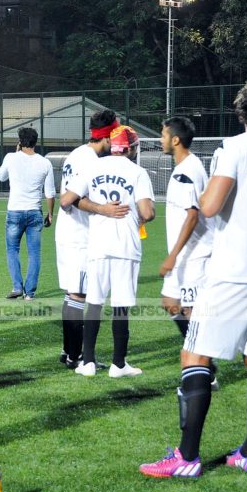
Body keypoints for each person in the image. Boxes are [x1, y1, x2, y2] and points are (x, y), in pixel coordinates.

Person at [139, 75, 247, 477]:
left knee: (194, 353)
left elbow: (209, 206)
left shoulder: (233, 147)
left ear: (242, 109)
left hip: (233, 268)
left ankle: (187, 457)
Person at [61, 125, 155, 378]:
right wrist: (140, 212)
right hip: (126, 246)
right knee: (121, 306)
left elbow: (67, 200)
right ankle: (118, 364)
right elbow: (147, 212)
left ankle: (88, 362)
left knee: (94, 302)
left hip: (98, 245)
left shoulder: (93, 167)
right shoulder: (137, 172)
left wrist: (99, 208)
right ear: (132, 148)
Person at [54, 109, 125, 370]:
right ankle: (75, 356)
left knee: (73, 293)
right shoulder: (89, 160)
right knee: (78, 294)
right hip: (78, 236)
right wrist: (104, 209)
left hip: (72, 234)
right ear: (105, 137)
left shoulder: (79, 154)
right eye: (113, 137)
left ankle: (68, 350)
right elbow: (68, 200)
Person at [158, 116, 213, 340]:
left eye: (163, 135)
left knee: (190, 311)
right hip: (184, 255)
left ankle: (205, 370)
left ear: (176, 140)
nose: (161, 140)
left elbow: (192, 215)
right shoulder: (188, 166)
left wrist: (172, 255)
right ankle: (202, 359)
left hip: (193, 255)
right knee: (170, 302)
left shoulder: (187, 172)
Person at [0, 127, 56, 300]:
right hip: (35, 212)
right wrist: (50, 214)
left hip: (15, 211)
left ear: (20, 142)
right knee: (34, 253)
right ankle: (29, 292)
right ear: (36, 141)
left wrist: (14, 154)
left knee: (12, 250)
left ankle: (17, 287)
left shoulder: (11, 158)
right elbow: (50, 192)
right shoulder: (45, 162)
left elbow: (1, 177)